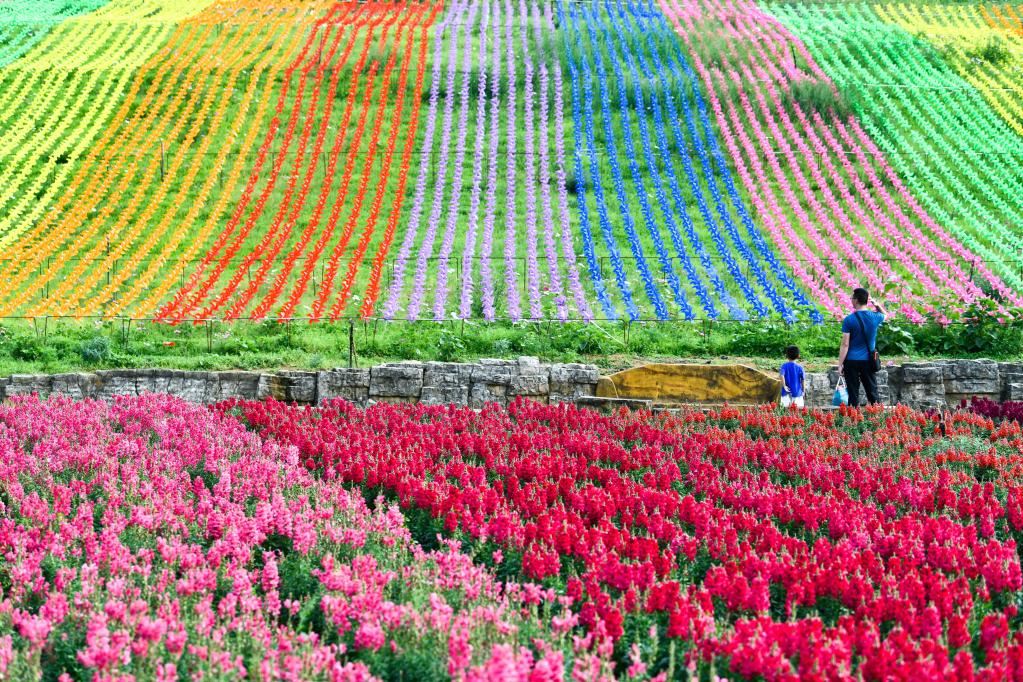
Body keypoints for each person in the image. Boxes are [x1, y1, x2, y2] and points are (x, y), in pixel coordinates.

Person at [838, 287, 887, 407]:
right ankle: (877, 414)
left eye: (851, 298)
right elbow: (885, 315)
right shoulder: (875, 317)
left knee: (853, 393)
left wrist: (840, 364)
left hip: (851, 361)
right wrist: (877, 305)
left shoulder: (849, 320)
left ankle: (853, 415)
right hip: (868, 360)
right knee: (872, 391)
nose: (851, 300)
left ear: (856, 300)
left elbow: (845, 344)